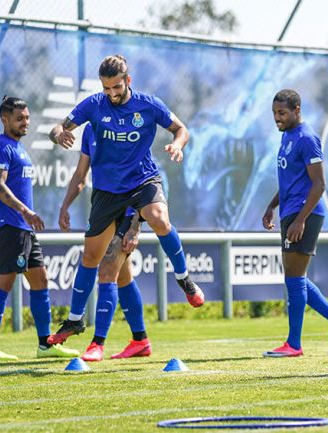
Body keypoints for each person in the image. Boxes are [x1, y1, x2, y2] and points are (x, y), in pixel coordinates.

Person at [47, 54, 204, 345]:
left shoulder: (148, 104)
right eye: (107, 88)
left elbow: (181, 129)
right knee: (91, 257)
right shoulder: (93, 106)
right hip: (107, 193)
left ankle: (184, 279)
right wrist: (58, 135)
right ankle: (75, 320)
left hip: (142, 181)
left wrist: (177, 145)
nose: (112, 94)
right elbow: (59, 127)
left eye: (116, 87)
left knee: (158, 218)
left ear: (127, 81)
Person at [0, 96, 79, 360]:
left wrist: (27, 217)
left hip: (24, 228)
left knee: (41, 279)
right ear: (5, 119)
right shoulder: (2, 146)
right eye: (19, 118)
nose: (25, 122)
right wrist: (25, 211)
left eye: (27, 117)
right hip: (10, 225)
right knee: (4, 282)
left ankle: (45, 344)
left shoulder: (19, 148)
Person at [261, 89, 328, 358]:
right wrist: (272, 206)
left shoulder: (306, 138)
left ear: (297, 110)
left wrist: (301, 220)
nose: (277, 118)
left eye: (282, 113)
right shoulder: (287, 137)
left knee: (294, 278)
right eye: (274, 113)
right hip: (291, 212)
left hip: (305, 213)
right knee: (295, 278)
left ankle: (294, 344)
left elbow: (319, 184)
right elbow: (291, 182)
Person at [58, 126, 152, 361]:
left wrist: (135, 226)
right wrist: (65, 205)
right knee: (123, 275)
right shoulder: (91, 130)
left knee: (108, 269)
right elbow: (80, 175)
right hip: (105, 207)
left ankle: (97, 343)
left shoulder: (130, 126)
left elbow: (148, 182)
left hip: (130, 211)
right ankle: (140, 340)